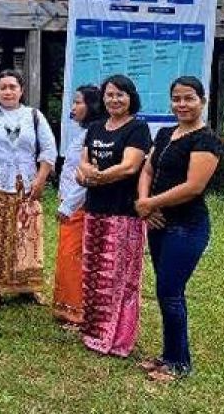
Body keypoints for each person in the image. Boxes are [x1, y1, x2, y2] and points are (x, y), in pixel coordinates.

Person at [135, 76, 224, 382]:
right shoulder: (164, 134)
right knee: (165, 291)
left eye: (189, 98)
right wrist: (145, 202)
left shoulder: (206, 140)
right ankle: (168, 355)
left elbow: (193, 186)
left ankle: (179, 363)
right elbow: (148, 169)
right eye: (176, 98)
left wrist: (150, 204)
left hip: (187, 226)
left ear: (202, 100)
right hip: (159, 223)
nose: (182, 105)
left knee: (170, 292)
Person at [0, 69, 56, 309]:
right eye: (2, 87)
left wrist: (40, 178)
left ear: (21, 90)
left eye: (12, 87)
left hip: (26, 185)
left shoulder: (33, 116)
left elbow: (49, 150)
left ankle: (28, 286)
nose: (7, 91)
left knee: (27, 236)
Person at [77, 74, 152, 358]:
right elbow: (82, 163)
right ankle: (93, 330)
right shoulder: (96, 127)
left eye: (120, 94)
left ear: (131, 97)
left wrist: (97, 177)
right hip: (95, 211)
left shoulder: (138, 128)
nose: (114, 99)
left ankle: (117, 338)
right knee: (94, 274)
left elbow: (130, 166)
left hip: (123, 213)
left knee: (119, 276)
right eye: (109, 94)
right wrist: (86, 176)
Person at [52, 85, 102, 329]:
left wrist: (68, 205)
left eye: (78, 102)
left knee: (74, 256)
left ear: (92, 105)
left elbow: (87, 177)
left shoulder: (94, 133)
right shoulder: (83, 132)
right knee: (66, 254)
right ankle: (66, 306)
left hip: (79, 205)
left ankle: (78, 312)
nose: (73, 107)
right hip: (69, 201)